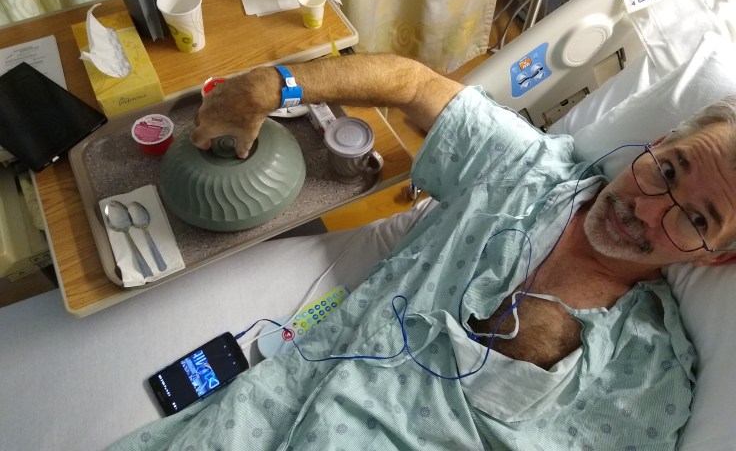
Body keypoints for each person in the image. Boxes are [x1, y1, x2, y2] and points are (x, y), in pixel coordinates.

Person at [110, 53, 736, 450]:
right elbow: (412, 84)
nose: (647, 208)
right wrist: (265, 85)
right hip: (266, 416)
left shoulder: (646, 372)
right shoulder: (527, 171)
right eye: (669, 170)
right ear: (658, 142)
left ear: (715, 258)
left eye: (696, 218)